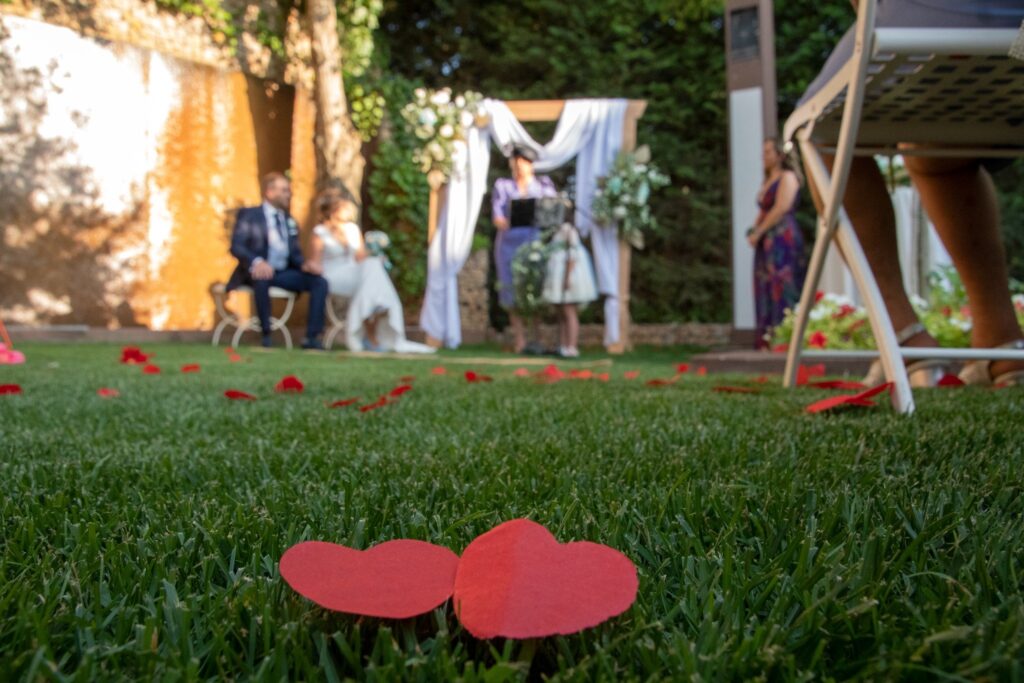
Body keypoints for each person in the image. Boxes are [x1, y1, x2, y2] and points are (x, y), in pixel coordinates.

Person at [801, 0, 1024, 385]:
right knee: (937, 156)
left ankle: (905, 342)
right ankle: (1002, 343)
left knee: (820, 130)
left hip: (941, 22)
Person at [307, 190, 435, 353]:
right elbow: (314, 262)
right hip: (332, 275)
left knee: (374, 265)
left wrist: (376, 251)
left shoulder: (352, 229)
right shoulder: (320, 232)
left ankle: (369, 320)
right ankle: (372, 326)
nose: (349, 210)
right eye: (345, 207)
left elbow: (360, 257)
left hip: (355, 273)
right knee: (372, 272)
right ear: (334, 210)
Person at [228, 172, 327, 349]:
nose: (288, 194)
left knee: (319, 282)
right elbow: (237, 246)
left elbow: (294, 254)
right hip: (257, 272)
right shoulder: (250, 215)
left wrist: (306, 265)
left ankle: (312, 337)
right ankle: (265, 335)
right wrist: (257, 261)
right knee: (262, 275)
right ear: (269, 192)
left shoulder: (289, 220)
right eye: (284, 190)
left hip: (283, 272)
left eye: (288, 191)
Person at [492, 144, 558, 354]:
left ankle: (537, 339)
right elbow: (498, 218)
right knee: (512, 293)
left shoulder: (543, 187)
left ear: (531, 165)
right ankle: (520, 340)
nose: (519, 165)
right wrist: (511, 220)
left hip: (534, 245)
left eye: (524, 161)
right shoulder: (503, 187)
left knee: (535, 291)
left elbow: (553, 214)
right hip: (509, 246)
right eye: (516, 161)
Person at [749, 138, 806, 349]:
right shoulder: (768, 180)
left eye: (768, 152)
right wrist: (754, 232)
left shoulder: (788, 177)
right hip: (766, 240)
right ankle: (767, 337)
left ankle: (786, 338)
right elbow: (764, 210)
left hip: (783, 238)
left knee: (783, 284)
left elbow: (781, 208)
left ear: (780, 154)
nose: (764, 156)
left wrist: (760, 231)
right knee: (765, 284)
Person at [542, 222, 598, 357]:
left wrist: (567, 278)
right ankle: (562, 345)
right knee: (561, 314)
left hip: (567, 277)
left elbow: (573, 255)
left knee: (569, 312)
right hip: (557, 276)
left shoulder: (568, 229)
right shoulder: (556, 228)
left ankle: (571, 346)